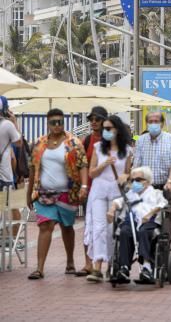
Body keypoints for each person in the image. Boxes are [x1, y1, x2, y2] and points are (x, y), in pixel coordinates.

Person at [26, 108, 88, 279]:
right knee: (45, 226)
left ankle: (70, 262)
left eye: (60, 122)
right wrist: (29, 192)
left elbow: (83, 165)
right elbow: (33, 169)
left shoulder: (73, 143)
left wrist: (83, 186)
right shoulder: (39, 143)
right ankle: (39, 268)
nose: (57, 125)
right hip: (44, 193)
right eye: (53, 122)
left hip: (67, 193)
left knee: (67, 227)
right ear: (48, 124)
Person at [84, 115, 132, 283]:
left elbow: (128, 172)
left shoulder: (126, 150)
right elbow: (91, 173)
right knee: (98, 228)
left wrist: (125, 177)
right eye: (104, 128)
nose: (106, 131)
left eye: (109, 128)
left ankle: (112, 264)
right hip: (99, 191)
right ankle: (97, 265)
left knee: (113, 230)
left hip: (116, 193)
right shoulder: (98, 148)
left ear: (117, 130)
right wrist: (104, 164)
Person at [107, 166, 168, 283]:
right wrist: (111, 210)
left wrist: (150, 214)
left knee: (143, 232)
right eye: (133, 180)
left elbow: (163, 204)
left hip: (149, 222)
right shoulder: (131, 193)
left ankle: (146, 267)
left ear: (147, 181)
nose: (135, 183)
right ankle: (124, 268)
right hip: (131, 221)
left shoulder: (155, 193)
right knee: (124, 232)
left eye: (138, 180)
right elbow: (118, 202)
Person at [76, 106, 108, 277]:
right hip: (90, 190)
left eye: (97, 119)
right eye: (91, 119)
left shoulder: (110, 140)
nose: (94, 122)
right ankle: (88, 263)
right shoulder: (87, 140)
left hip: (108, 190)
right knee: (89, 226)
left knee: (104, 227)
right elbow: (80, 164)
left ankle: (103, 262)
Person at [133, 111, 171, 220]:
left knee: (164, 225)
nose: (153, 124)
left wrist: (170, 181)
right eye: (150, 122)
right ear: (146, 123)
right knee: (145, 222)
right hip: (146, 189)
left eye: (156, 121)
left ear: (162, 123)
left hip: (165, 187)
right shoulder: (141, 140)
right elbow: (136, 165)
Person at [0, 96, 21, 191]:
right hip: (4, 177)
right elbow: (19, 143)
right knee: (6, 205)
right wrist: (14, 122)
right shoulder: (7, 125)